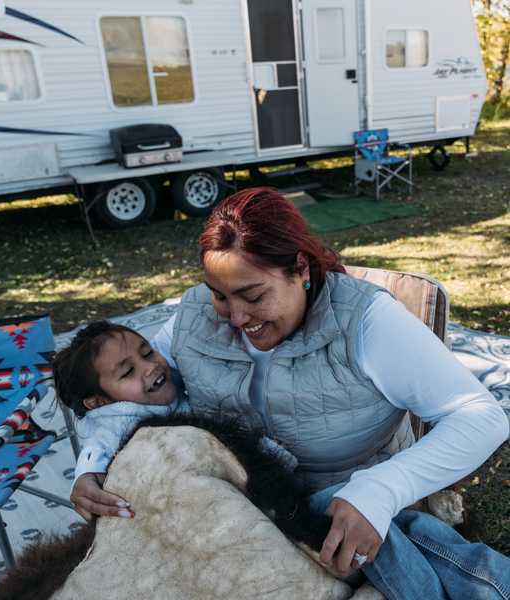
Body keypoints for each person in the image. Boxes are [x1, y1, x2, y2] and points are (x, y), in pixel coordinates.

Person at [69, 187, 509, 598]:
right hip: (237, 501)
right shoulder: (195, 317)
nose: (236, 317)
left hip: (339, 500)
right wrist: (89, 467)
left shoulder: (364, 320)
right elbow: (125, 396)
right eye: (219, 295)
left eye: (253, 295)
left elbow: (480, 416)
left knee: (416, 547)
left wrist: (381, 490)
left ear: (300, 269)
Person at [53, 320, 299, 520]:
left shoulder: (164, 386)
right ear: (99, 402)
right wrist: (87, 472)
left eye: (148, 352)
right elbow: (99, 444)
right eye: (128, 372)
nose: (150, 367)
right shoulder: (118, 424)